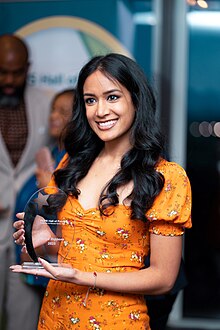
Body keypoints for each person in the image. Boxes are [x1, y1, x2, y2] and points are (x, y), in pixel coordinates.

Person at [11, 53, 192, 329]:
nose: (100, 111)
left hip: (116, 319)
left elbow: (164, 278)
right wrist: (39, 243)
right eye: (90, 100)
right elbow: (47, 256)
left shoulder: (165, 177)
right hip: (55, 314)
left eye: (112, 97)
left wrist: (83, 277)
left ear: (135, 98)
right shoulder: (72, 162)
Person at [0, 34, 54, 330]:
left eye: (16, 72)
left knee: (23, 318)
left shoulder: (46, 102)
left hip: (28, 229)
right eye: (2, 71)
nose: (9, 79)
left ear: (28, 68)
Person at [14, 88, 75, 287]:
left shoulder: (74, 162)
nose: (54, 116)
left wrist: (49, 188)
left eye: (63, 111)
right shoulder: (47, 154)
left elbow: (69, 217)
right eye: (53, 110)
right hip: (31, 262)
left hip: (54, 266)